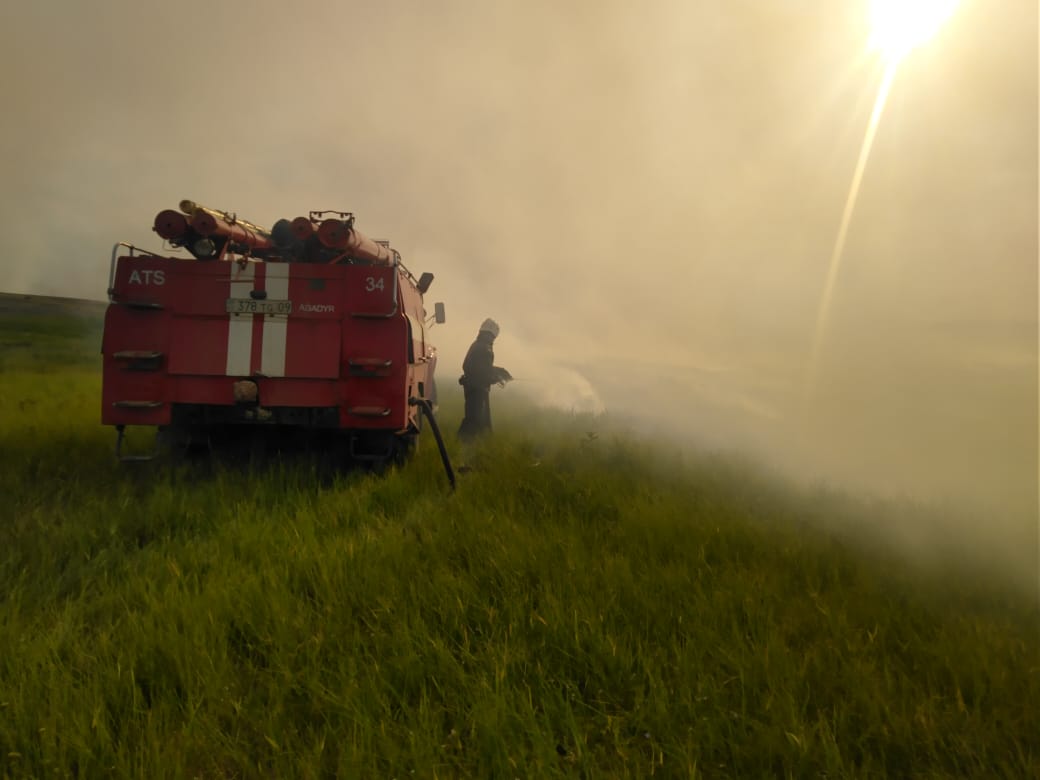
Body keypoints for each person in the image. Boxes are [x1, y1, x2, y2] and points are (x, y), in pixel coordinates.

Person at [457, 318, 512, 441]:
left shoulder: (478, 345)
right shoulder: (485, 348)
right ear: (491, 335)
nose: (493, 340)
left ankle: (478, 443)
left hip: (474, 386)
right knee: (474, 419)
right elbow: (483, 372)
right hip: (478, 388)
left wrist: (500, 371)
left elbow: (481, 367)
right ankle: (463, 443)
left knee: (480, 419)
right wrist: (497, 377)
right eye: (493, 337)